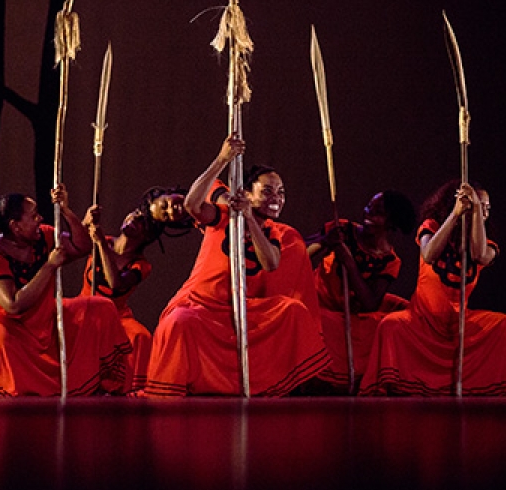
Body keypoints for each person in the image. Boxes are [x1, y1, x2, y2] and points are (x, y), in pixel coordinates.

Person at [144, 135, 330, 396]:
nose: (275, 198)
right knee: (179, 322)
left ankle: (271, 387)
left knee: (292, 311)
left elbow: (271, 263)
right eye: (266, 191)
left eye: (280, 192)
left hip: (239, 307)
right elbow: (192, 204)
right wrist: (222, 158)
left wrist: (249, 219)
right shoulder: (223, 215)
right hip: (202, 303)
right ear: (247, 193)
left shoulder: (272, 232)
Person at [359, 180, 506, 396]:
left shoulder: (487, 245)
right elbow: (428, 254)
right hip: (423, 320)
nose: (484, 212)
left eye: (486, 208)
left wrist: (473, 213)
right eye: (479, 205)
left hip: (459, 323)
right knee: (390, 326)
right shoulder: (431, 227)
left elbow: (478, 255)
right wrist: (456, 214)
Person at [0, 185, 132, 396]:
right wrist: (49, 266)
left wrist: (65, 210)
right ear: (15, 226)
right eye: (33, 216)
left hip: (43, 318)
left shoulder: (42, 236)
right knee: (2, 340)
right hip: (10, 327)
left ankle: (106, 387)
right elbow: (13, 304)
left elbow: (81, 247)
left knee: (100, 308)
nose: (40, 219)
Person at [305, 190, 416, 393]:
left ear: (391, 223)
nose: (367, 214)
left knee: (388, 324)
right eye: (368, 208)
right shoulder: (343, 230)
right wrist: (325, 241)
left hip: (351, 310)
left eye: (377, 212)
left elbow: (370, 303)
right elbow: (299, 253)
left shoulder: (389, 261)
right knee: (319, 320)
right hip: (318, 299)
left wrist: (349, 261)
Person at [79, 203, 161, 394]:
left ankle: (127, 391)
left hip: (116, 316)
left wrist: (100, 245)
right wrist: (85, 221)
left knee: (139, 336)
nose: (134, 219)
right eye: (135, 214)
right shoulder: (102, 240)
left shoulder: (141, 265)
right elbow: (74, 244)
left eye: (141, 222)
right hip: (86, 308)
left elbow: (115, 282)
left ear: (147, 236)